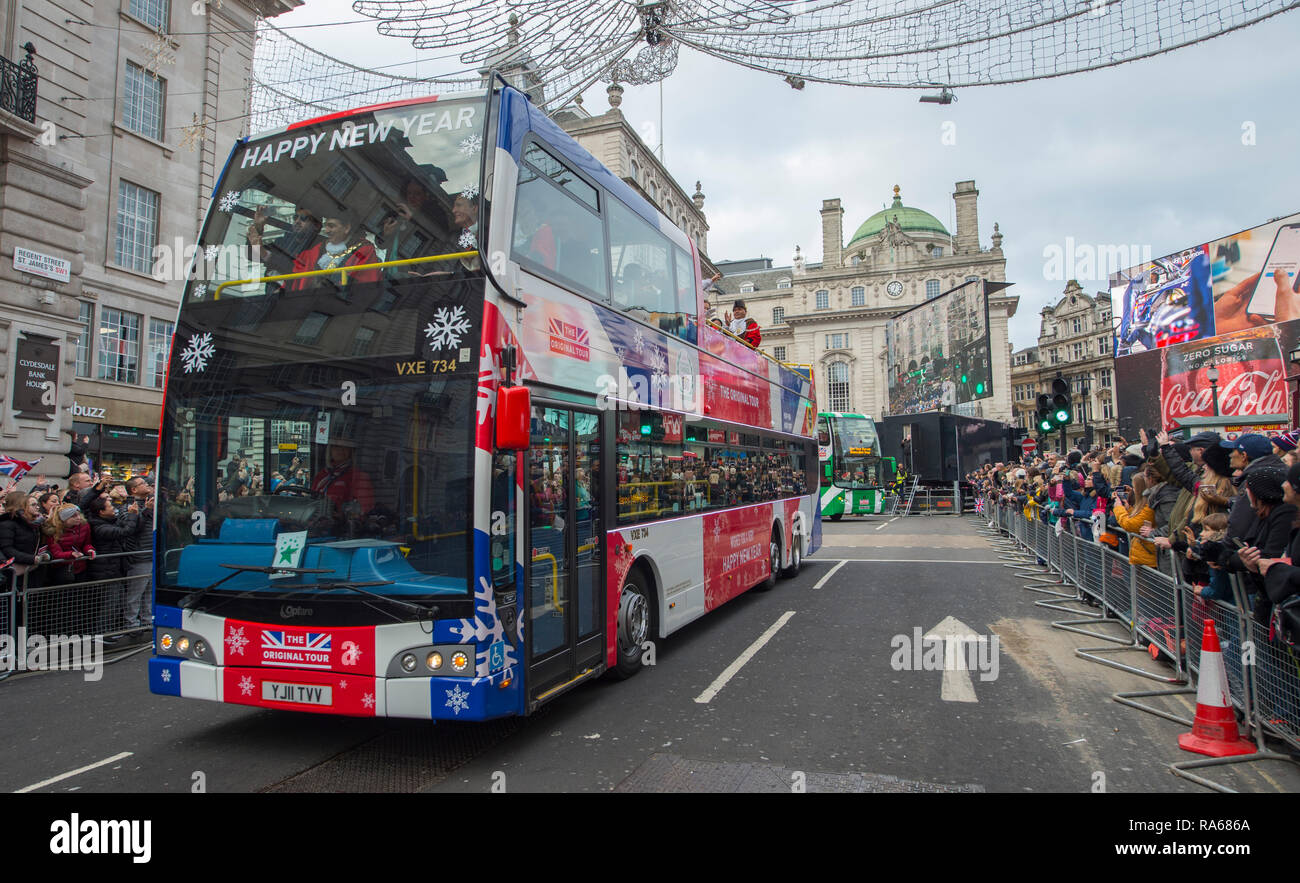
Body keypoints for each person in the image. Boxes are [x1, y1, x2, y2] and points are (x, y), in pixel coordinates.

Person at [290, 211, 380, 292]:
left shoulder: (364, 249)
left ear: (347, 228)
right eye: (326, 226)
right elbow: (299, 273)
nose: (326, 231)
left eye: (331, 226)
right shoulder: (320, 247)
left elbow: (364, 286)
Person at [246, 203, 322, 277]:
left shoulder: (318, 247)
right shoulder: (281, 242)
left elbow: (296, 269)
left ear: (316, 225)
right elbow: (251, 255)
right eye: (295, 217)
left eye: (303, 218)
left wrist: (265, 254)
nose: (297, 221)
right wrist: (258, 227)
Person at [122, 476, 155, 633]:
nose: (146, 484)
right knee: (135, 593)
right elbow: (133, 528)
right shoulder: (129, 506)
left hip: (151, 553)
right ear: (133, 490)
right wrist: (146, 511)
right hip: (139, 556)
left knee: (148, 592)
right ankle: (132, 624)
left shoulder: (150, 503)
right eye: (142, 483)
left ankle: (147, 620)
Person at [311, 437, 374, 518]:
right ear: (330, 450)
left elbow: (364, 507)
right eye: (336, 447)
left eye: (345, 447)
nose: (340, 450)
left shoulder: (358, 476)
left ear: (350, 451)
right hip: (316, 519)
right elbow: (311, 497)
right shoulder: (322, 474)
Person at [44, 505, 94, 585]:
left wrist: (89, 550)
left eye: (78, 514)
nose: (78, 518)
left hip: (80, 567)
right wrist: (71, 554)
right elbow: (55, 552)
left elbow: (86, 543)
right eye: (73, 516)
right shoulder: (53, 531)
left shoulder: (84, 526)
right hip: (62, 569)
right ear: (64, 519)